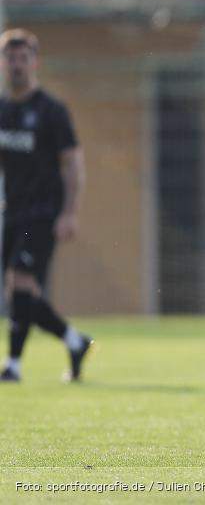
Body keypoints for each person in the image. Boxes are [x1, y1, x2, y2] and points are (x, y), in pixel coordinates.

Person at [0, 28, 92, 383]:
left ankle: (13, 365)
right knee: (20, 292)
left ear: (34, 63)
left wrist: (69, 213)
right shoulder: (3, 110)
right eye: (11, 58)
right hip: (12, 212)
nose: (17, 65)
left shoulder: (51, 110)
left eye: (23, 58)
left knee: (20, 281)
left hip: (43, 213)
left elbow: (73, 163)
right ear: (3, 63)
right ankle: (74, 341)